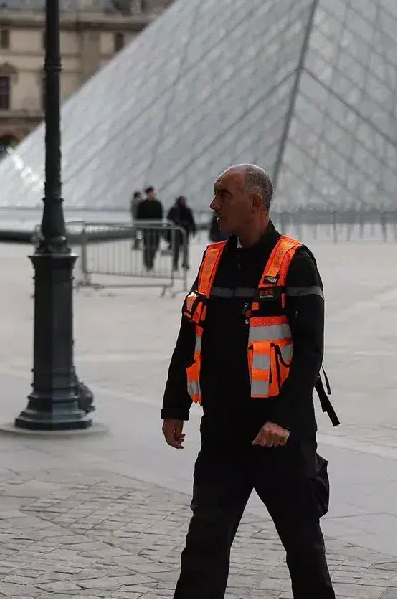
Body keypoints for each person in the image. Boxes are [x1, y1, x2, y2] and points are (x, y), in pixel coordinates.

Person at [162, 164, 339, 599]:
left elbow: (309, 354)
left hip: (278, 438)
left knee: (303, 549)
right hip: (223, 433)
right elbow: (190, 333)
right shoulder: (212, 258)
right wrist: (174, 406)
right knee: (203, 546)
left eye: (223, 194)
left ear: (255, 203)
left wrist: (282, 420)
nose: (213, 204)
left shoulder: (295, 262)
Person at [135, 186, 165, 270]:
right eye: (151, 192)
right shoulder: (142, 204)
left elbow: (160, 216)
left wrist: (160, 226)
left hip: (156, 229)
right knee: (147, 246)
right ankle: (148, 263)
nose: (152, 194)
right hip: (146, 229)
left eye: (153, 192)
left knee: (155, 246)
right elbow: (139, 216)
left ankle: (151, 260)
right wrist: (141, 226)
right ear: (147, 194)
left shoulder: (158, 204)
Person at [166, 195, 197, 271]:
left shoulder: (187, 210)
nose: (183, 202)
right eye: (181, 201)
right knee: (176, 250)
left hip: (185, 232)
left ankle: (185, 263)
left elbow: (191, 221)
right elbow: (169, 219)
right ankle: (175, 264)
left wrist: (193, 229)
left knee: (185, 249)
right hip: (176, 232)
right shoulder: (173, 210)